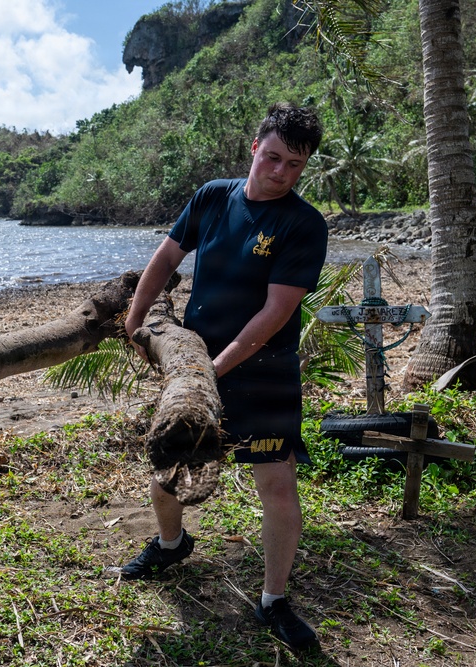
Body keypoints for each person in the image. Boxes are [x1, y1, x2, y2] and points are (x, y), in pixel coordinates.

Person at [121, 102, 326, 652]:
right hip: (194, 359)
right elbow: (165, 260)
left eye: (295, 165)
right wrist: (136, 323)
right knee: (167, 464)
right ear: (254, 147)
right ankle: (170, 544)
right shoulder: (214, 196)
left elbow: (275, 312)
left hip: (263, 370)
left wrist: (211, 372)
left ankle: (274, 600)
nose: (281, 172)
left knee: (277, 484)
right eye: (274, 157)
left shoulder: (303, 225)